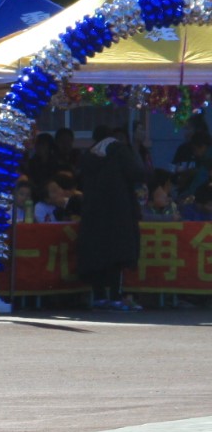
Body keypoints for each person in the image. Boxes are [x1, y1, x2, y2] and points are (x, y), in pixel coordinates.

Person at [79, 126, 145, 311]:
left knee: (96, 254)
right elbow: (137, 173)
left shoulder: (89, 155)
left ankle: (99, 296)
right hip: (118, 212)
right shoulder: (120, 151)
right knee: (118, 255)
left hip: (93, 213)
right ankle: (116, 296)